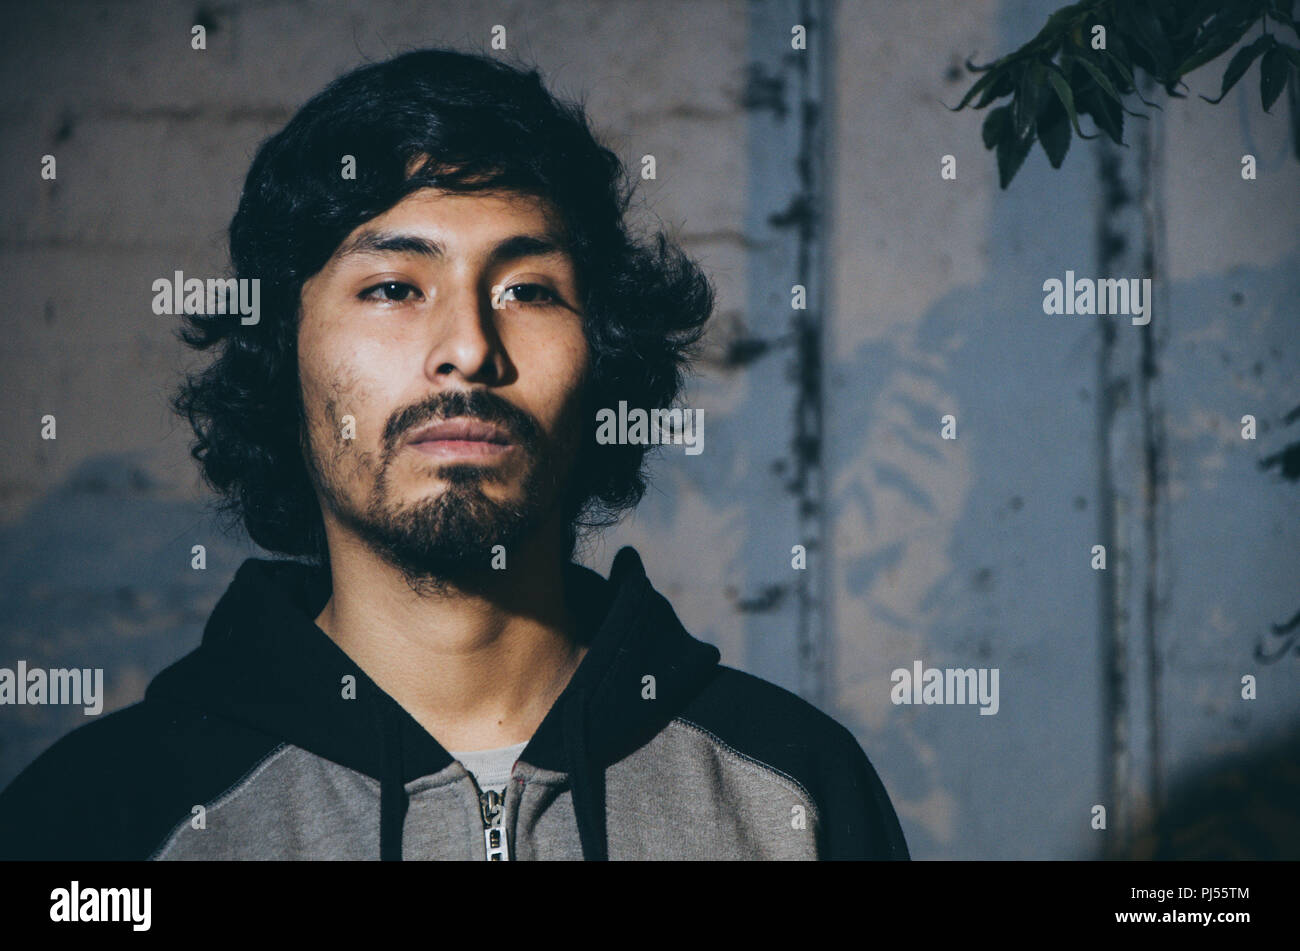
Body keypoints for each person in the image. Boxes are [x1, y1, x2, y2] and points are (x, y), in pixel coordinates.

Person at [0, 48, 907, 861]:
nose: (469, 346)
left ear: (602, 357)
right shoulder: (105, 818)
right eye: (394, 286)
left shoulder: (797, 794)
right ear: (285, 355)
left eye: (527, 289)